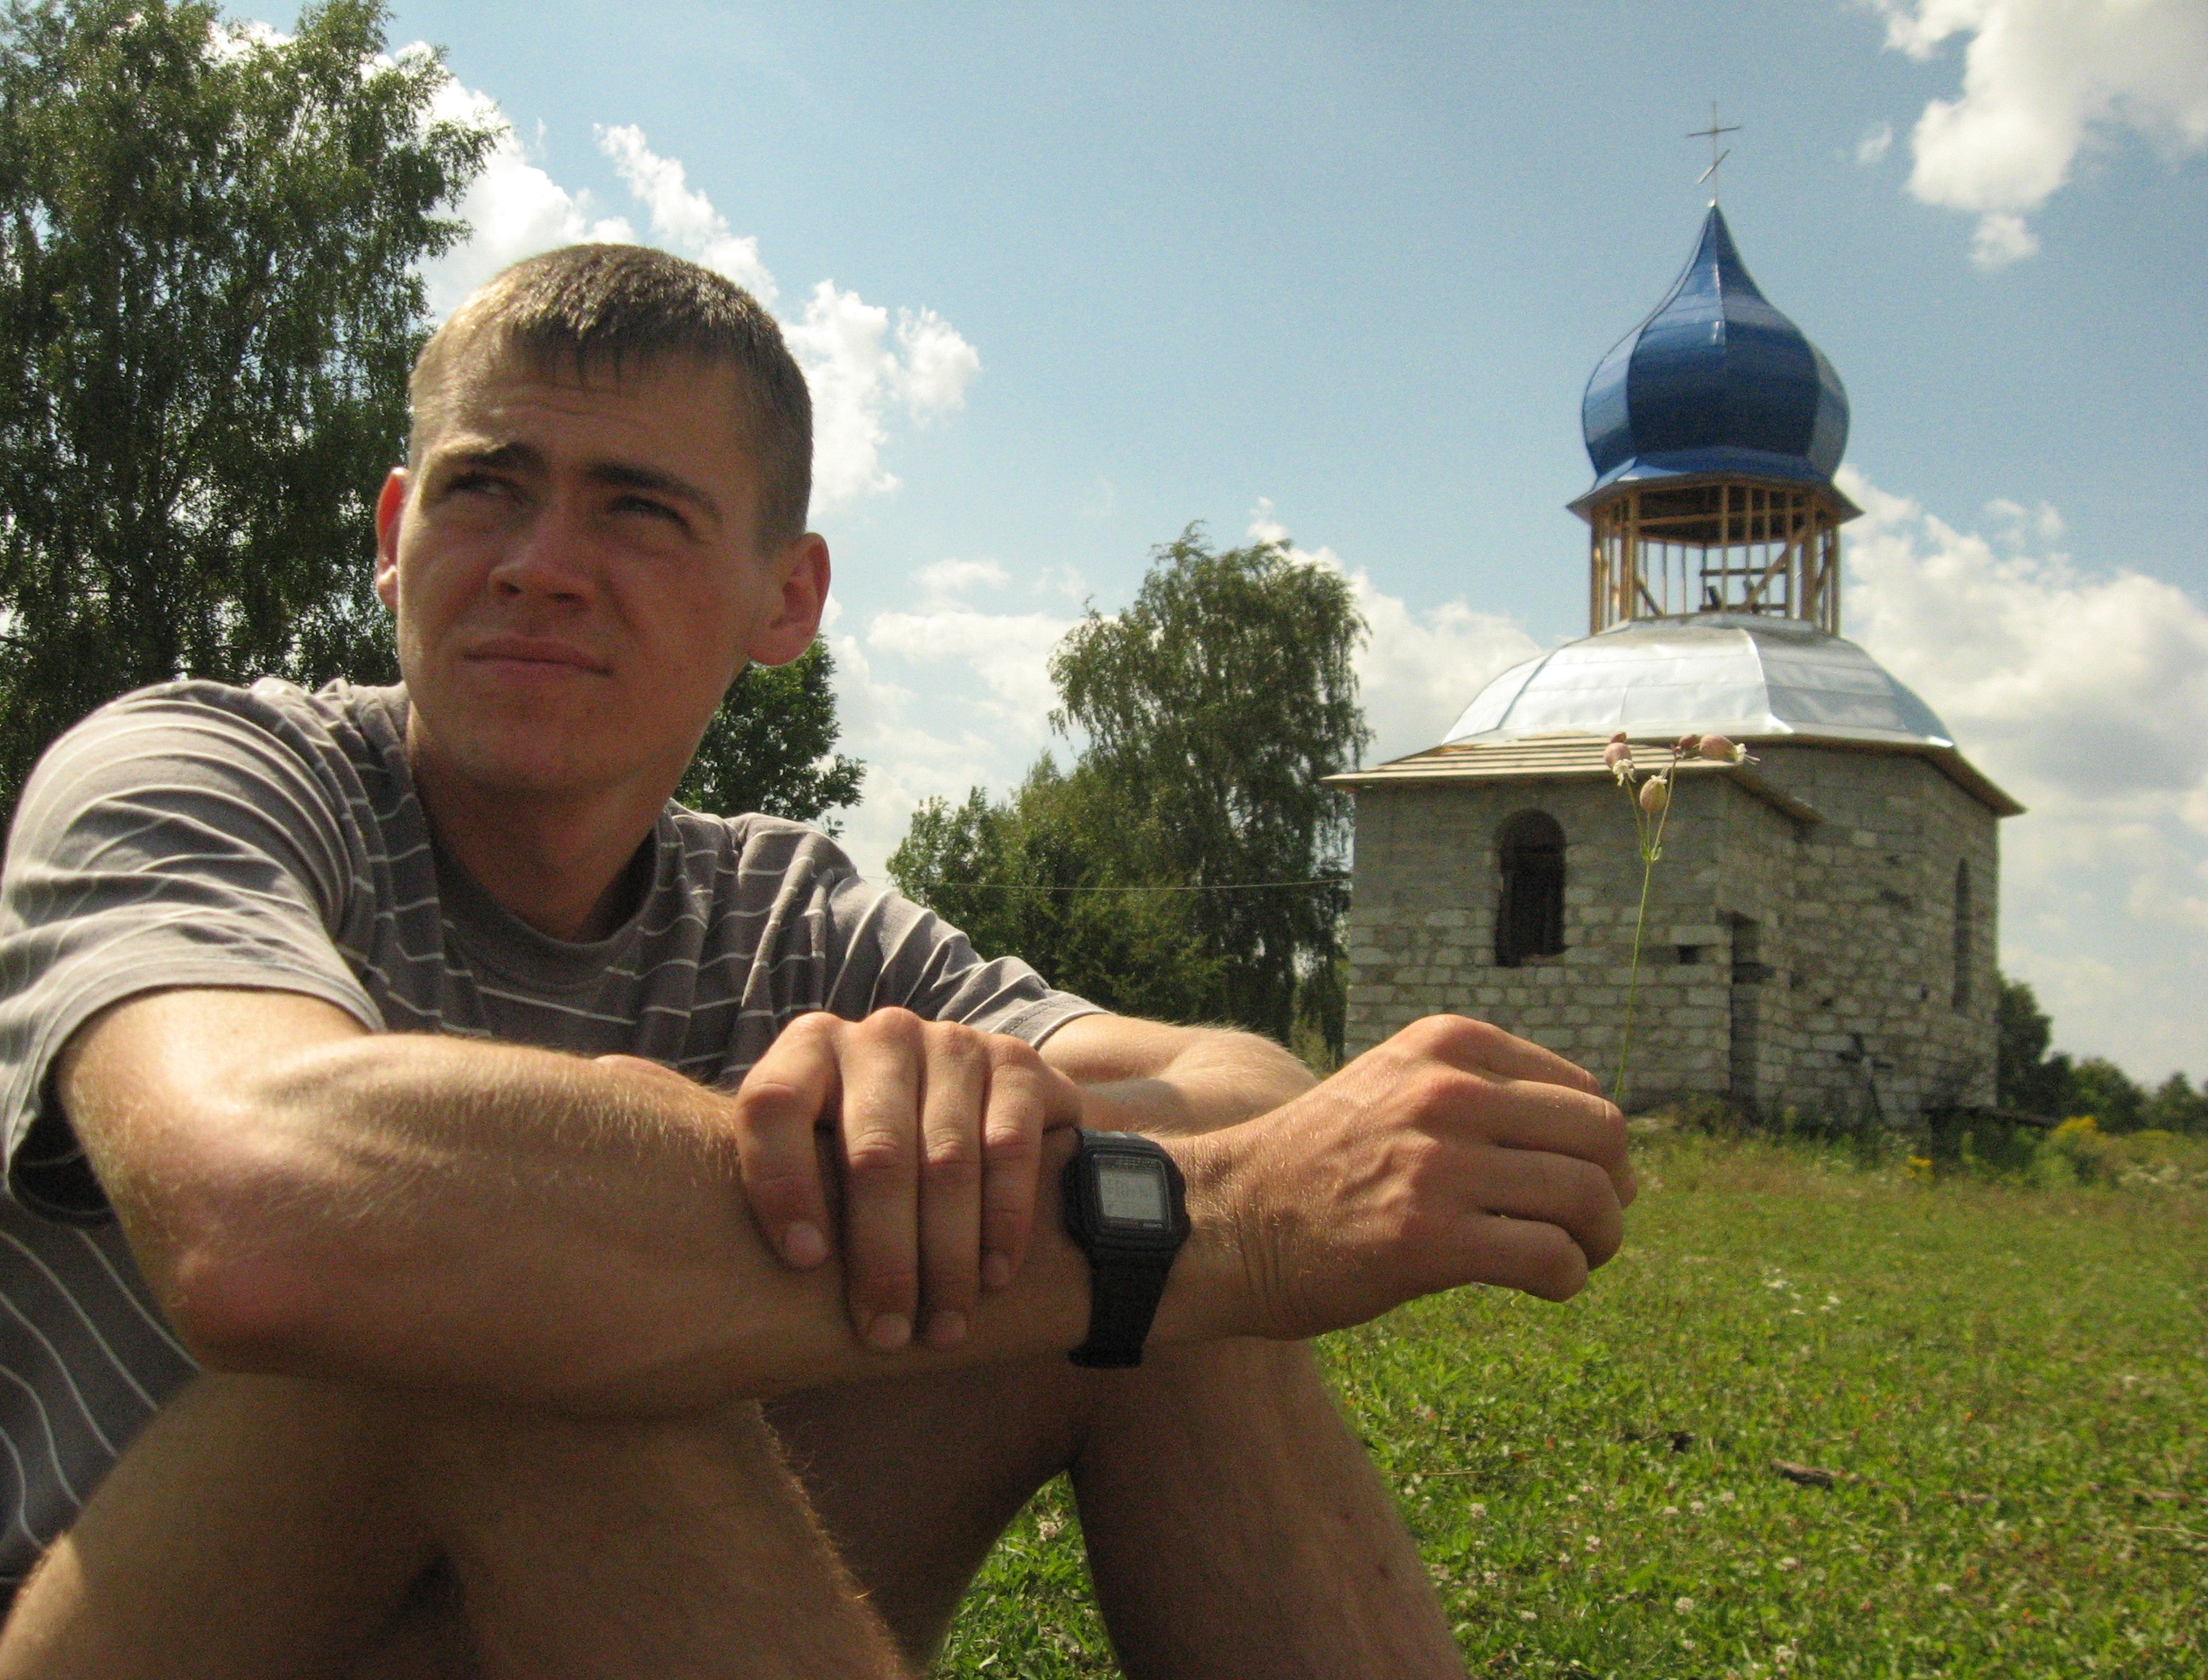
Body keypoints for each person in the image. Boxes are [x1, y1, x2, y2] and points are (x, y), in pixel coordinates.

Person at [0, 244, 1632, 1678]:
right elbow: (265, 1208)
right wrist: (1212, 1218)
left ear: (786, 598)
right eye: (486, 485)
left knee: (1157, 1313)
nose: (539, 560)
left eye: (638, 508)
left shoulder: (783, 909)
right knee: (481, 1309)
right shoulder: (199, 774)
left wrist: (1044, 1148)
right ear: (394, 532)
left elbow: (1238, 1094)